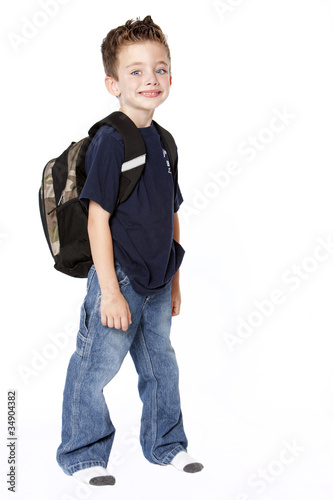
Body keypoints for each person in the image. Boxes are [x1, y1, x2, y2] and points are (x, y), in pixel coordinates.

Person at [56, 16, 203, 486]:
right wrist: (110, 293)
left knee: (161, 366)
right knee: (95, 365)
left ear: (171, 77)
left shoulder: (164, 142)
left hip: (159, 278)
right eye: (135, 71)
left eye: (159, 69)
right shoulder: (111, 139)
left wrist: (175, 280)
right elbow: (98, 218)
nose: (150, 79)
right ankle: (82, 455)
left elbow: (171, 214)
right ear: (112, 83)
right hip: (117, 278)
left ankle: (166, 446)